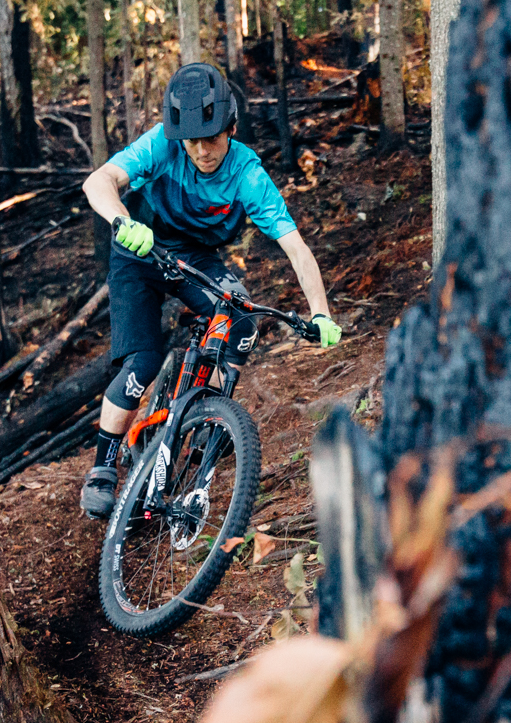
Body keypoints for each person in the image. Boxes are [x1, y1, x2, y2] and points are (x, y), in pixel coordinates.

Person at [76, 62, 340, 518]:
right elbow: (98, 181)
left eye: (212, 137)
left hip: (194, 258)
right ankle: (102, 467)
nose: (201, 150)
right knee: (143, 361)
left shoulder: (247, 174)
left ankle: (205, 422)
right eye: (192, 140)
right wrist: (122, 221)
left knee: (241, 318)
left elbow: (295, 248)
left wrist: (320, 313)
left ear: (232, 128)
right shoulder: (162, 143)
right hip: (139, 249)